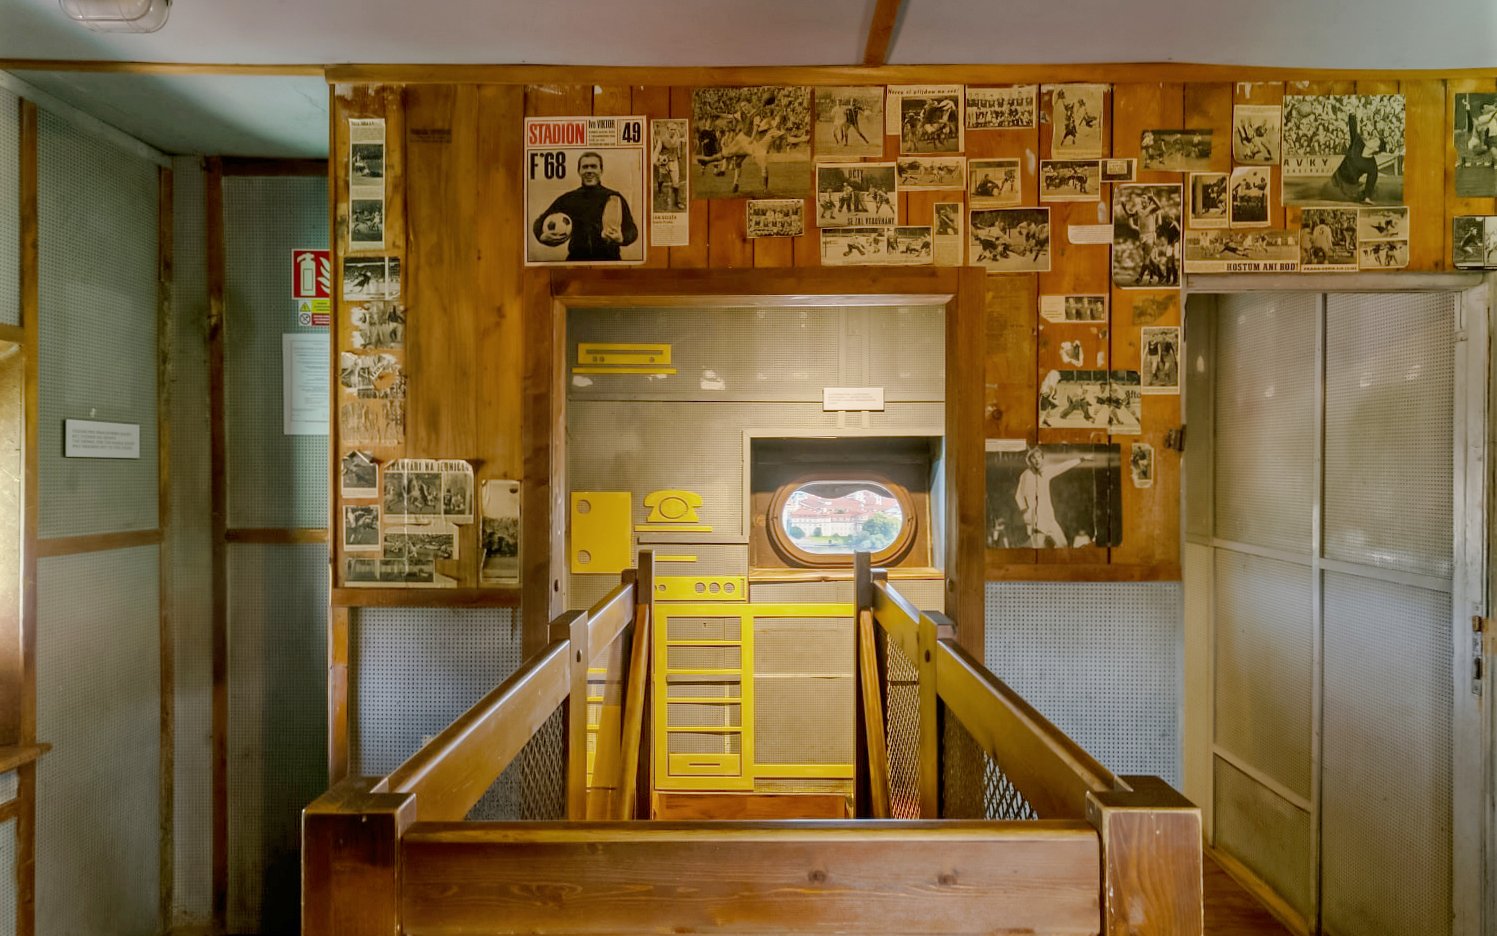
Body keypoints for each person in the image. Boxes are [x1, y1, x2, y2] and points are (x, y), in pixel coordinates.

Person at [532, 151, 638, 262]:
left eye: (593, 166)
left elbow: (632, 230)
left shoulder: (614, 197)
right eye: (585, 167)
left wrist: (622, 238)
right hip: (576, 260)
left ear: (601, 170)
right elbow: (540, 221)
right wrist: (541, 236)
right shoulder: (568, 199)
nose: (589, 171)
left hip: (609, 260)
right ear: (579, 171)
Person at [1015, 446, 1082, 548]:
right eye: (1034, 458)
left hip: (1049, 517)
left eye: (1039, 457)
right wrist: (1025, 511)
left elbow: (1062, 467)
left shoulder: (1046, 472)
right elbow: (1019, 495)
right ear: (1029, 461)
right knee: (1038, 547)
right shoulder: (1026, 475)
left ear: (1042, 459)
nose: (1037, 460)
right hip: (1036, 519)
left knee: (1063, 544)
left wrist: (1080, 459)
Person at [1331, 106, 1380, 204]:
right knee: (1327, 190)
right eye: (1372, 138)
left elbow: (1371, 181)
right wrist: (1352, 115)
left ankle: (1358, 194)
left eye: (1375, 141)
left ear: (1376, 149)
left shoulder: (1372, 166)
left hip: (1349, 187)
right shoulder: (1358, 143)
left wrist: (1367, 197)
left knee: (1374, 190)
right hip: (1337, 177)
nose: (1371, 138)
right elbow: (1353, 128)